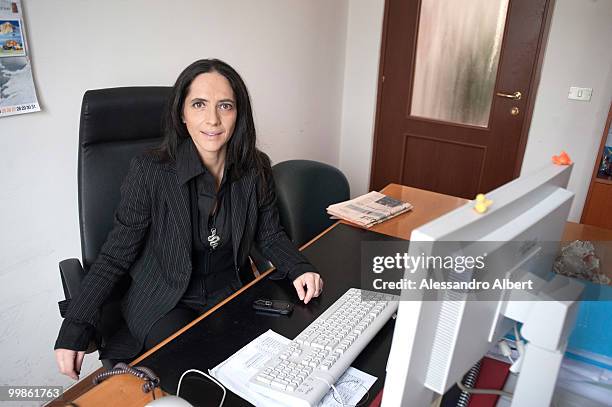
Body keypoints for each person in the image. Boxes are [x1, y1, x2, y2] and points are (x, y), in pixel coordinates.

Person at [55, 59, 323, 380]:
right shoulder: (151, 171)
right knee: (201, 374)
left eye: (225, 106)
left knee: (280, 362)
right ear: (182, 114)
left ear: (239, 114)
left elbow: (270, 235)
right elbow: (115, 255)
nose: (213, 119)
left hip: (230, 295)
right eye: (199, 105)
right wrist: (76, 325)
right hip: (166, 301)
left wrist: (299, 267)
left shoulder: (255, 168)